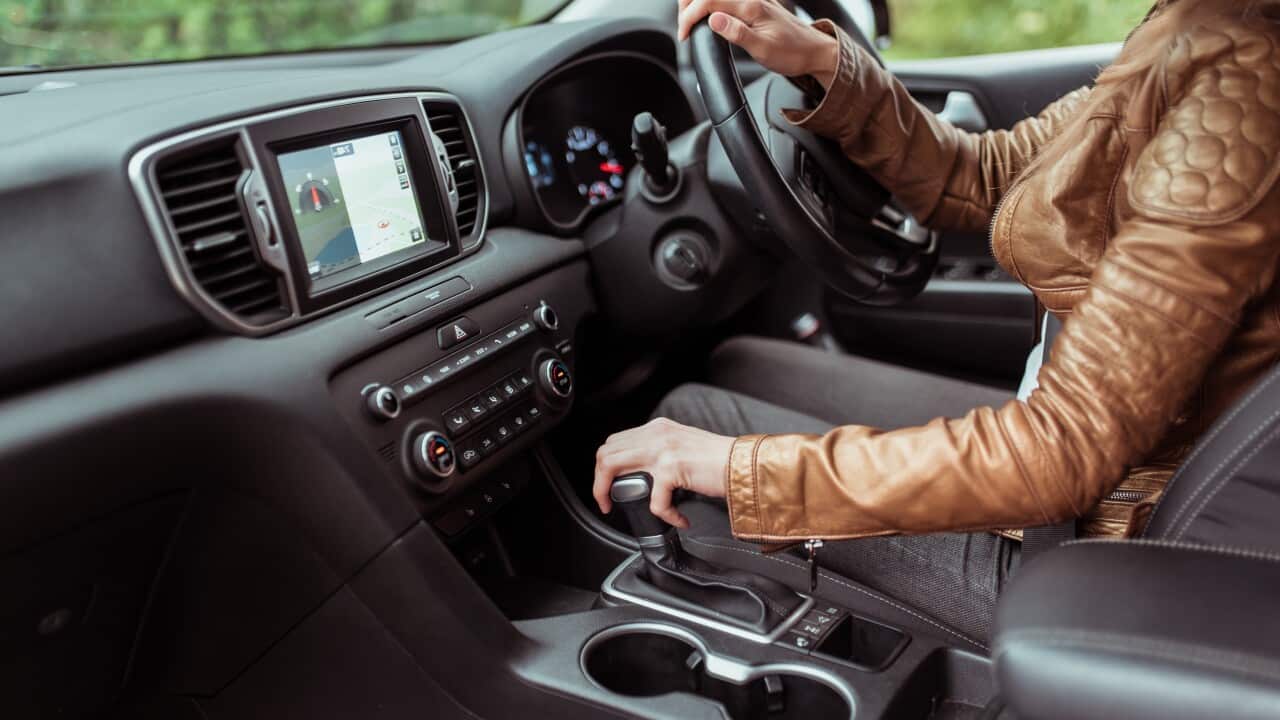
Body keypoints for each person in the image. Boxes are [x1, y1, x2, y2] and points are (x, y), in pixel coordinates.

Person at [592, 0, 1280, 644]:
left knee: (691, 425)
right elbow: (991, 173)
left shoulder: (1242, 93)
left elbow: (1062, 452)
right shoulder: (1202, 26)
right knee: (738, 363)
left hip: (1105, 541)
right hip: (1118, 458)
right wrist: (825, 66)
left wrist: (741, 471)